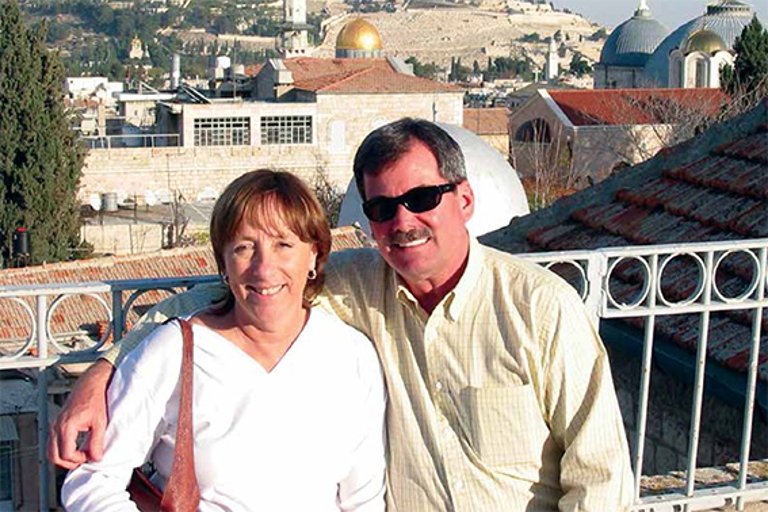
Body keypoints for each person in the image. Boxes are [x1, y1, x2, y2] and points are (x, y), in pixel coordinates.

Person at [51, 119, 634, 511]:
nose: (403, 221)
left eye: (422, 199)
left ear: (464, 200)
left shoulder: (540, 309)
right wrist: (107, 368)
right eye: (382, 208)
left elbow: (601, 478)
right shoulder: (359, 285)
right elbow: (232, 298)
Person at [60, 170, 386, 511]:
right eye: (244, 247)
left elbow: (363, 500)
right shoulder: (176, 351)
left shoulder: (351, 356)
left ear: (314, 255)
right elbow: (92, 481)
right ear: (224, 263)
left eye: (283, 245)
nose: (264, 268)